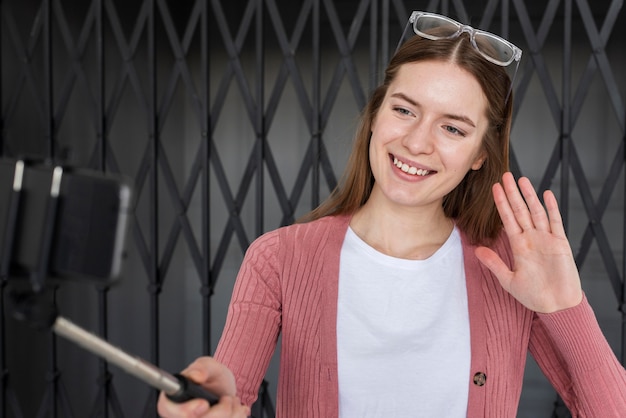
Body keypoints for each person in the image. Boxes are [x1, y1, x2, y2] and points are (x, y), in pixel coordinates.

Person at [157, 10, 626, 418]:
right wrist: (205, 404)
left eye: (453, 128)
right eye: (404, 110)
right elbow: (226, 399)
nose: (418, 143)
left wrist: (567, 307)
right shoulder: (279, 259)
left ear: (481, 154)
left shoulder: (510, 269)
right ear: (377, 113)